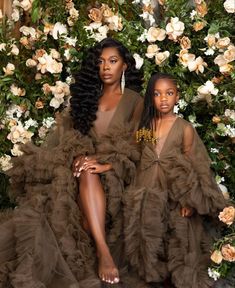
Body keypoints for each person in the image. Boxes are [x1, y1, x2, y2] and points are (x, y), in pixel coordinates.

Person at [0, 38, 143, 288]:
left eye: (113, 61)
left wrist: (108, 164)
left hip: (117, 172)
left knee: (89, 178)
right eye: (100, 62)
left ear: (125, 66)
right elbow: (67, 138)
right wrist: (78, 157)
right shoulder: (87, 98)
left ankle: (102, 252)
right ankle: (103, 251)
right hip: (80, 171)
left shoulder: (135, 100)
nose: (106, 67)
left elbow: (145, 139)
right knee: (83, 171)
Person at [123, 73, 226, 288]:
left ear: (177, 97)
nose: (163, 99)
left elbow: (193, 166)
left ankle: (171, 274)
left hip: (173, 192)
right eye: (157, 94)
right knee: (146, 231)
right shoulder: (146, 127)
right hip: (146, 188)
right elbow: (133, 153)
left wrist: (188, 200)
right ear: (150, 98)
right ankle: (150, 270)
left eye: (169, 93)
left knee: (176, 233)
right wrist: (106, 164)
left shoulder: (184, 129)